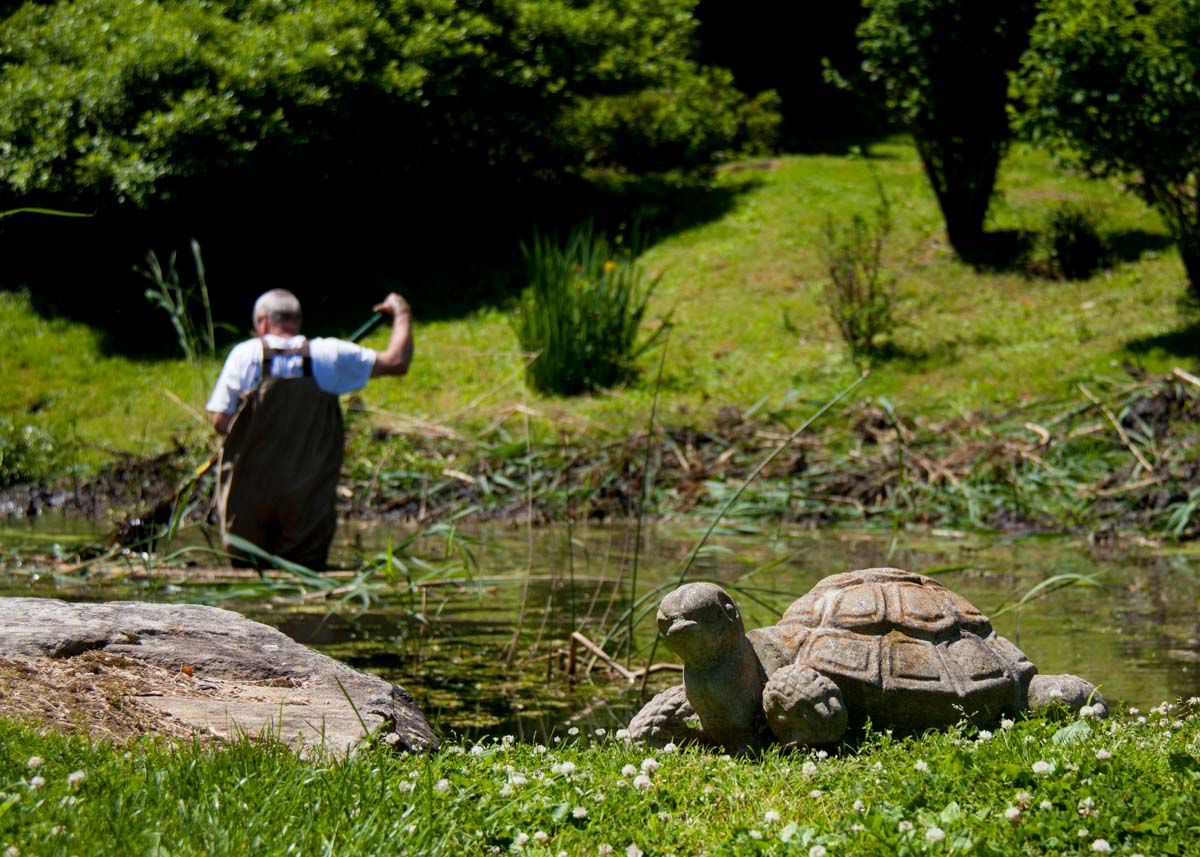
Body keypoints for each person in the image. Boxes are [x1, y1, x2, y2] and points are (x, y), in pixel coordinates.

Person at [206, 289, 412, 569]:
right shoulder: (329, 353)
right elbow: (397, 362)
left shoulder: (244, 355)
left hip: (249, 491)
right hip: (307, 494)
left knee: (248, 570)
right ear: (296, 321)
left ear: (263, 323)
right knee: (304, 577)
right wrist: (401, 312)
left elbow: (220, 420)